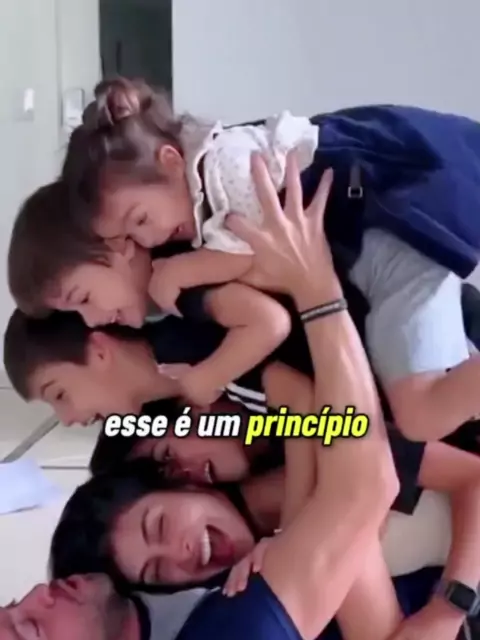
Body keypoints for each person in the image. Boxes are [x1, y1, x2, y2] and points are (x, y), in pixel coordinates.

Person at [8, 77, 480, 441]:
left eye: (83, 299)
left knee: (422, 414)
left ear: (116, 247)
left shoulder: (202, 230)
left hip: (387, 247)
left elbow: (270, 308)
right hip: (378, 267)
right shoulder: (191, 245)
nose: (92, 320)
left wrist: (207, 375)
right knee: (432, 406)